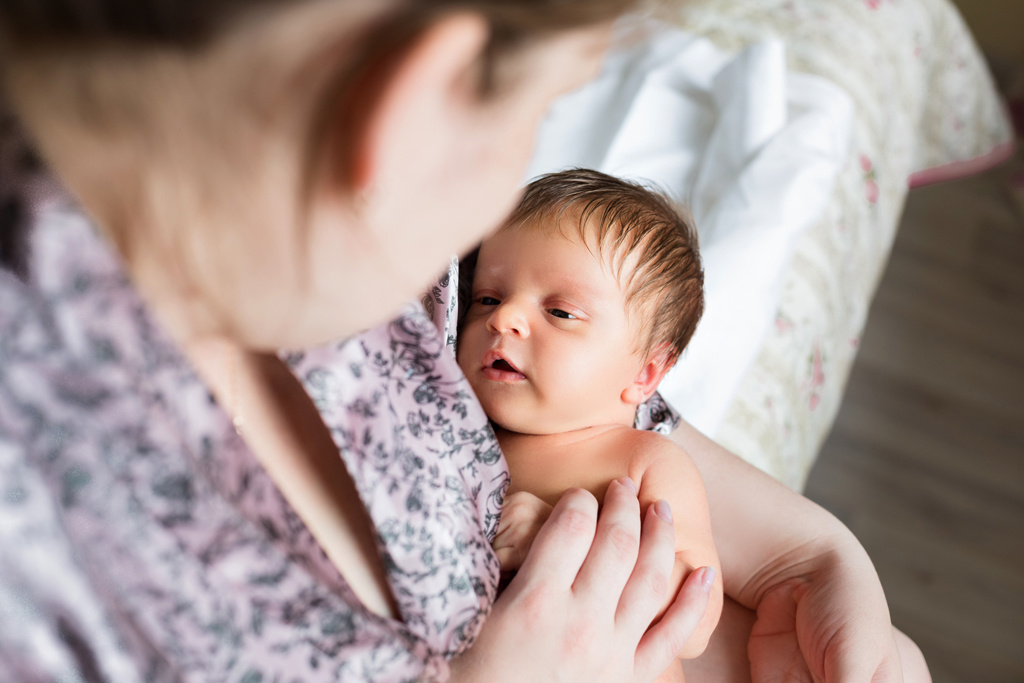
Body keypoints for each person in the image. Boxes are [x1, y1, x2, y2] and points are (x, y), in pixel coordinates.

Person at [0, 1, 930, 682]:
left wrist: (824, 559)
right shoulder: (41, 558)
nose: (496, 309)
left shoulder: (365, 256)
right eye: (546, 104)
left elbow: (622, 428)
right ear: (410, 103)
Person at [456, 169, 720, 681]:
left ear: (645, 373)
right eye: (487, 297)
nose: (502, 317)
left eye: (560, 312)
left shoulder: (642, 460)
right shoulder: (460, 425)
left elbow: (696, 621)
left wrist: (552, 541)